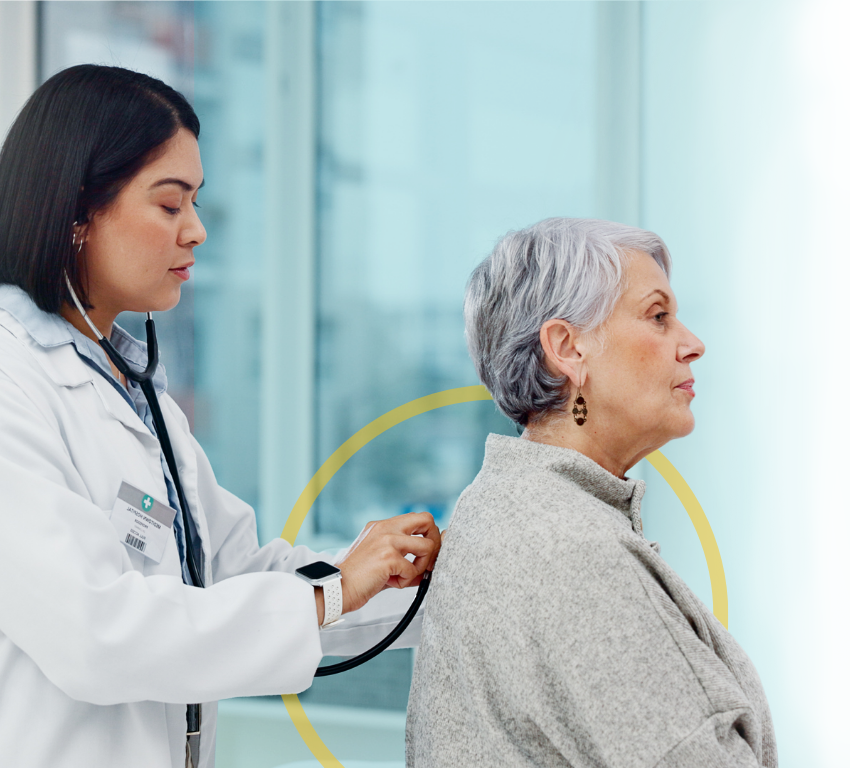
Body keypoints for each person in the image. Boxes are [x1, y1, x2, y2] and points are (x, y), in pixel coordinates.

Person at [0, 64, 441, 768]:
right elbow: (93, 634)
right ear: (78, 212)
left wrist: (410, 583)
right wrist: (331, 595)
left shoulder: (133, 392)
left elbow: (235, 576)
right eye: (171, 205)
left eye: (196, 204)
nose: (197, 231)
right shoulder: (12, 383)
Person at [406, 218, 777, 767]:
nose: (693, 344)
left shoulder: (502, 508)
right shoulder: (570, 551)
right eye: (658, 316)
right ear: (568, 347)